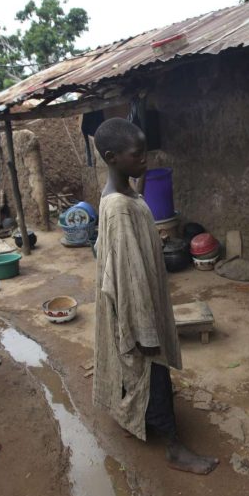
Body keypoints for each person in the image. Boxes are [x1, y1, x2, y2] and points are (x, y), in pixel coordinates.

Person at [92, 118, 219, 474]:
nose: (145, 160)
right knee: (152, 368)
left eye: (145, 152)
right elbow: (127, 276)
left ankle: (142, 418)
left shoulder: (125, 193)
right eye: (138, 155)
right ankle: (174, 447)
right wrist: (143, 330)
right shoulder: (117, 208)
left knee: (144, 373)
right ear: (112, 157)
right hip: (137, 306)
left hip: (144, 298)